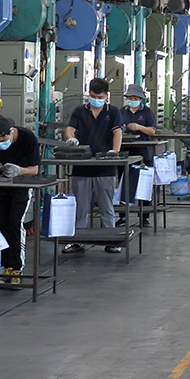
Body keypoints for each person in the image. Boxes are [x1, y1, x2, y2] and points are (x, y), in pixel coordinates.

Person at [61, 79, 122, 252]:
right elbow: (70, 129)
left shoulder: (113, 112)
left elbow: (117, 132)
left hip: (105, 167)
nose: (96, 100)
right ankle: (78, 240)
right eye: (93, 96)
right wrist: (71, 138)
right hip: (82, 166)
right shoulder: (80, 111)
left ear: (106, 96)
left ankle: (111, 240)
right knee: (80, 207)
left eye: (100, 97)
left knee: (106, 206)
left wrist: (114, 151)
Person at [0, 116, 41, 287]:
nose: (0, 143)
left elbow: (35, 169)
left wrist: (20, 170)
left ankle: (16, 268)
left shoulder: (27, 137)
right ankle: (6, 267)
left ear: (11, 132)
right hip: (1, 183)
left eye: (3, 139)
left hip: (22, 184)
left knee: (15, 222)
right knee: (2, 223)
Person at [118, 83, 158, 226]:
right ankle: (123, 216)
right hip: (125, 152)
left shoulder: (147, 112)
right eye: (130, 98)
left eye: (135, 98)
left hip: (143, 153)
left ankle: (144, 216)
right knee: (124, 185)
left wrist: (139, 127)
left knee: (144, 185)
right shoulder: (121, 112)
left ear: (140, 99)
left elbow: (152, 131)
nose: (132, 100)